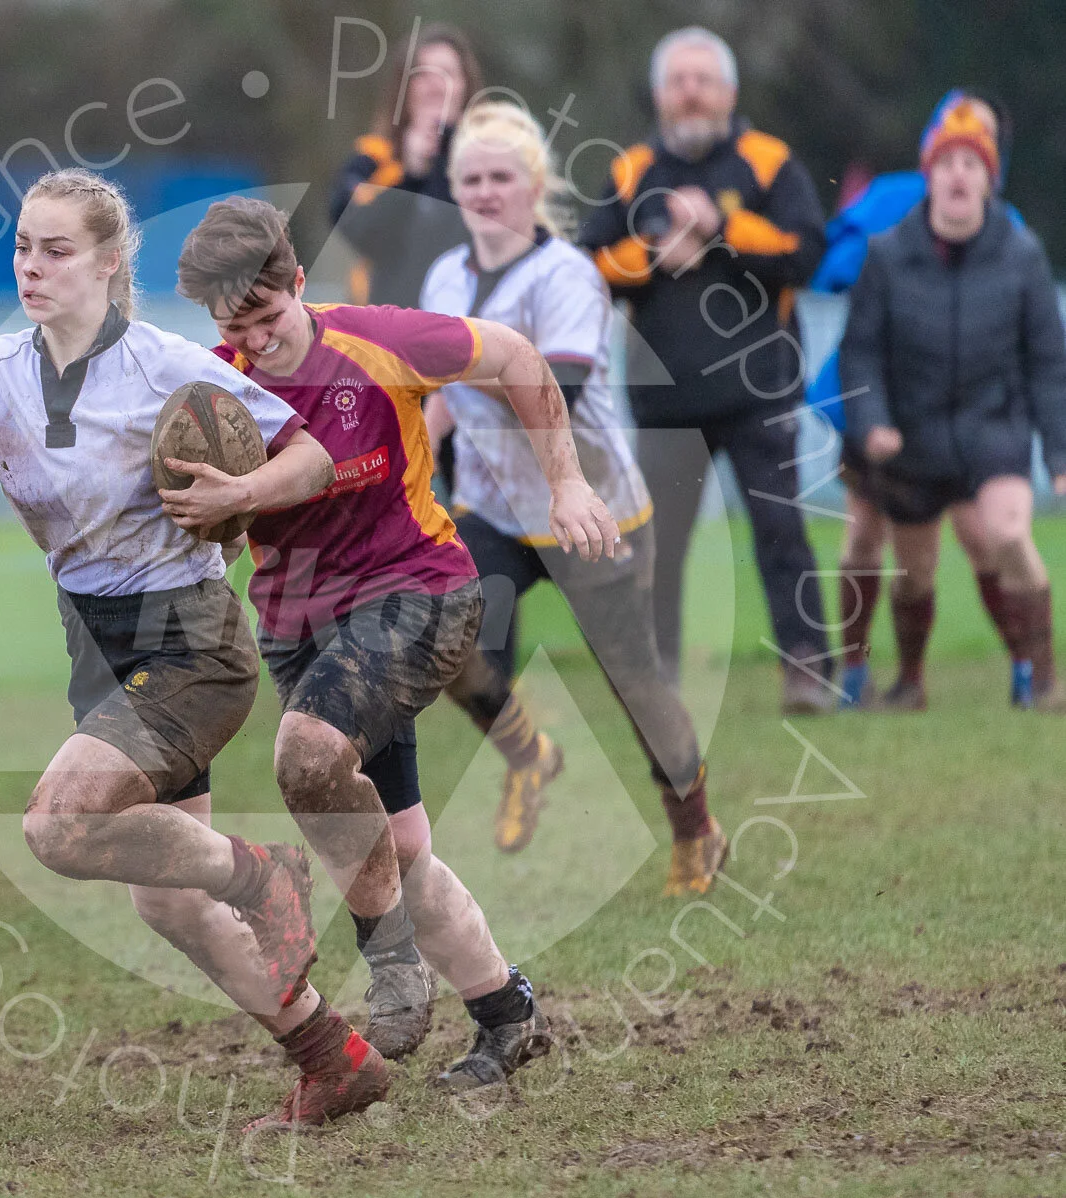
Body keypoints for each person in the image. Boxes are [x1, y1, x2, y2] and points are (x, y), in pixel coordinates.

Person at [0, 168, 400, 1133]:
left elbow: (308, 451)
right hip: (94, 643)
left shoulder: (168, 364)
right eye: (22, 247)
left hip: (189, 641)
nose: (32, 267)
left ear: (107, 262)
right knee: (164, 905)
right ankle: (333, 1060)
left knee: (57, 828)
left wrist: (235, 501)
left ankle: (266, 877)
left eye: (56, 250)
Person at [172, 196, 620, 1118]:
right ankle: (507, 1012)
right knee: (401, 848)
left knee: (304, 756)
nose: (256, 343)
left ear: (302, 283)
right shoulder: (217, 396)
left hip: (420, 592)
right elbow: (211, 531)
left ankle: (393, 971)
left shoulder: (382, 341)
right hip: (302, 628)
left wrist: (566, 480)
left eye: (270, 318)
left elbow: (518, 358)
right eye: (235, 329)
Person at [419, 101, 726, 894]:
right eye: (470, 178)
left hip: (595, 509)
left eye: (500, 177)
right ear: (453, 189)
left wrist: (466, 368)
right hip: (494, 505)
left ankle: (696, 827)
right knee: (456, 648)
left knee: (634, 682)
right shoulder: (446, 276)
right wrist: (413, 455)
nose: (485, 192)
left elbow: (558, 384)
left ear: (534, 187)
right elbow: (440, 394)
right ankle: (531, 756)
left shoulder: (566, 275)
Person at [577, 26, 834, 714]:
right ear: (659, 95)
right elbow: (587, 262)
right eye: (677, 81)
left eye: (703, 80)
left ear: (729, 92)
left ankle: (807, 667)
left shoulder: (769, 161)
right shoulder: (632, 168)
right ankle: (655, 675)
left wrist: (719, 226)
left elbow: (808, 253)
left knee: (782, 534)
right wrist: (654, 249)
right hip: (665, 398)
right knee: (656, 547)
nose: (690, 93)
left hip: (759, 389)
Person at [807, 92, 1033, 707]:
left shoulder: (1005, 230)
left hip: (961, 413)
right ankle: (856, 672)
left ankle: (1024, 667)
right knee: (862, 536)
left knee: (982, 537)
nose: (965, 153)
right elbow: (827, 267)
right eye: (953, 139)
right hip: (878, 401)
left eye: (982, 140)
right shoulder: (891, 201)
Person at [329, 22, 481, 309]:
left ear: (465, 85)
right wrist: (411, 173)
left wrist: (449, 151)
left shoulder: (491, 162)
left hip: (472, 320)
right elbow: (353, 228)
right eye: (422, 74)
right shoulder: (374, 157)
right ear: (403, 87)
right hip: (385, 320)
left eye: (447, 73)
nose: (435, 85)